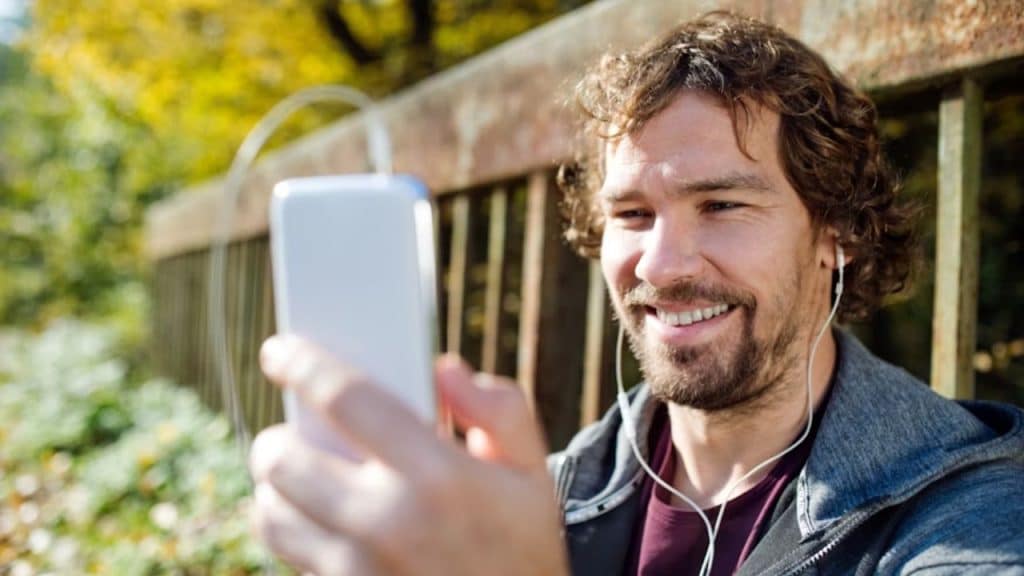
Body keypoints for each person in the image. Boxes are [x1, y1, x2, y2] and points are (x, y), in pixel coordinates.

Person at [248, 11, 1024, 576]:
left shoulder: (961, 512)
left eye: (721, 205)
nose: (662, 263)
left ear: (838, 234)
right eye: (632, 214)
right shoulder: (539, 503)